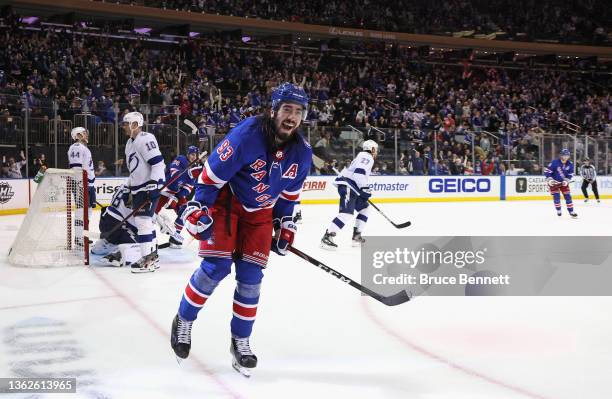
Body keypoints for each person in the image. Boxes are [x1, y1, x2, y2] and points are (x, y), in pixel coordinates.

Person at [170, 83, 312, 377]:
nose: (292, 117)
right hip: (227, 200)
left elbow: (288, 198)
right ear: (273, 109)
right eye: (287, 109)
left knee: (251, 278)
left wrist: (284, 224)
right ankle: (183, 320)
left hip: (260, 212)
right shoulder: (247, 135)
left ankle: (241, 342)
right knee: (216, 267)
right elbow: (210, 177)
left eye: (298, 112)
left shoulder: (303, 153)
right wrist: (200, 207)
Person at [122, 111, 166, 273]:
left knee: (143, 223)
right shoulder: (129, 143)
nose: (124, 127)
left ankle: (147, 261)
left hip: (148, 187)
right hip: (138, 188)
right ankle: (153, 259)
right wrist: (128, 188)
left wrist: (154, 185)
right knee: (146, 223)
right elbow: (135, 170)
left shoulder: (145, 138)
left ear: (135, 124)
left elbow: (158, 163)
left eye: (126, 124)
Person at [320, 140, 377, 250]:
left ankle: (356, 236)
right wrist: (365, 189)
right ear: (372, 149)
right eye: (376, 150)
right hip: (348, 186)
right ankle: (327, 237)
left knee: (365, 208)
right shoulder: (367, 156)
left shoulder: (363, 156)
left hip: (353, 187)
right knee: (347, 213)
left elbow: (358, 175)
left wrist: (363, 189)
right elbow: (359, 174)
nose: (376, 152)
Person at [154, 145, 202, 248]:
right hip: (165, 191)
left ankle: (175, 237)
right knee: (152, 213)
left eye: (196, 155)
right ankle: (145, 235)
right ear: (188, 154)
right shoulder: (180, 159)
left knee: (185, 211)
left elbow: (189, 187)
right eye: (192, 154)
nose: (194, 157)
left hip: (176, 194)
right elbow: (174, 176)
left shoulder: (195, 167)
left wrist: (180, 195)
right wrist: (188, 173)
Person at [90, 185, 140, 267]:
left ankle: (106, 242)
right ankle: (118, 253)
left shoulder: (126, 184)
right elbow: (136, 226)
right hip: (116, 227)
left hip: (104, 220)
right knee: (143, 242)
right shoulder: (138, 192)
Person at [68, 127, 96, 242]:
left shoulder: (84, 148)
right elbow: (76, 167)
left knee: (88, 211)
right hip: (81, 184)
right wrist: (80, 184)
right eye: (84, 133)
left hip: (88, 185)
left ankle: (84, 235)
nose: (86, 134)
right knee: (80, 211)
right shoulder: (76, 147)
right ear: (77, 135)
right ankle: (79, 238)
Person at [544, 149, 578, 218]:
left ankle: (571, 211)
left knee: (568, 197)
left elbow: (570, 174)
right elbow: (547, 172)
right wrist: (550, 180)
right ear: (561, 155)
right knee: (557, 197)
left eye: (567, 155)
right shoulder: (554, 162)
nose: (566, 157)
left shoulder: (570, 164)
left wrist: (566, 181)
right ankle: (558, 210)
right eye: (564, 155)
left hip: (563, 183)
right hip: (554, 183)